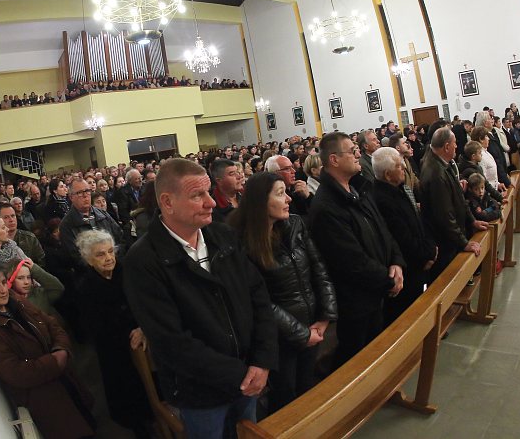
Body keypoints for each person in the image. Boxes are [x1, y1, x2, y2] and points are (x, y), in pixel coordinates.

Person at [123, 158, 277, 439]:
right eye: (197, 195)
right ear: (167, 202)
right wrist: (242, 374)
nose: (211, 202)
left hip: (249, 375)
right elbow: (171, 341)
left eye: (208, 192)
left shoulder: (222, 234)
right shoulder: (143, 261)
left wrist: (262, 359)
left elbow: (258, 297)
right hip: (201, 393)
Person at [228, 172, 336, 413]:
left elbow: (319, 269)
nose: (288, 198)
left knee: (306, 386)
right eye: (280, 194)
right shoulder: (242, 242)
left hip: (312, 325)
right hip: (278, 337)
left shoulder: (295, 224)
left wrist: (325, 317)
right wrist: (302, 334)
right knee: (285, 396)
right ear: (260, 201)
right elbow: (259, 300)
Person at [0, 259, 95, 439]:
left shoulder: (16, 300)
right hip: (48, 402)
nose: (3, 289)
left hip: (65, 385)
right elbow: (15, 373)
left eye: (4, 282)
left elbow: (51, 324)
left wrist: (60, 348)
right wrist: (55, 361)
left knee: (90, 423)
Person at [309, 132, 405, 367]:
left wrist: (396, 262)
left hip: (377, 290)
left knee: (377, 353)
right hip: (356, 301)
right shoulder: (326, 206)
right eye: (352, 151)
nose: (358, 154)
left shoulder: (358, 189)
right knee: (357, 360)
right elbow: (351, 261)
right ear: (334, 160)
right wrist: (388, 280)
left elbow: (383, 230)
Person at [74, 230, 152, 438]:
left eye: (110, 251)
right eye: (100, 254)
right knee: (128, 392)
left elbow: (145, 301)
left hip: (142, 336)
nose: (109, 258)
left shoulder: (127, 271)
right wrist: (129, 333)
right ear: (89, 260)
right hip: (115, 348)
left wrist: (142, 327)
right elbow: (96, 328)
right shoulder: (85, 288)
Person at [370, 147, 437, 325]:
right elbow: (402, 238)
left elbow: (418, 221)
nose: (404, 168)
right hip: (409, 269)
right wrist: (426, 256)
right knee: (406, 317)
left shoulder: (399, 188)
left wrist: (430, 250)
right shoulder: (382, 199)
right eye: (399, 166)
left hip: (420, 262)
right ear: (387, 174)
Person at [416, 127, 490, 279]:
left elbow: (458, 197)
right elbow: (445, 215)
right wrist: (463, 243)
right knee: (449, 278)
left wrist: (472, 221)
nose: (457, 146)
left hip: (452, 237)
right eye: (454, 143)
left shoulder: (441, 162)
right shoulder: (435, 173)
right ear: (446, 146)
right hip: (445, 242)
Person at [60, 178, 123, 269]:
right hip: (90, 273)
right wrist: (98, 265)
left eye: (87, 191)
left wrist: (113, 259)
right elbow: (74, 257)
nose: (85, 195)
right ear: (71, 197)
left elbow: (120, 238)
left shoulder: (103, 214)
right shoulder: (66, 224)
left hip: (115, 265)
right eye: (80, 193)